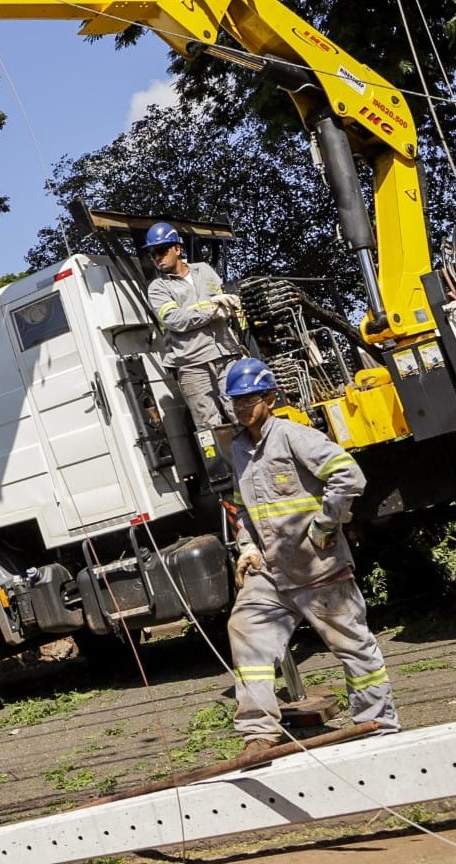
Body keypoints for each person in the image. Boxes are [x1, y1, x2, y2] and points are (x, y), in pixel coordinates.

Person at [223, 358, 400, 759]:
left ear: (269, 397)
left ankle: (379, 722)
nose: (241, 407)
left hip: (318, 566)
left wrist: (326, 524)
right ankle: (258, 732)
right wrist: (247, 546)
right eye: (235, 401)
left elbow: (348, 474)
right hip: (271, 570)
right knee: (246, 633)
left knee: (353, 645)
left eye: (249, 399)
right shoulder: (238, 448)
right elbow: (242, 506)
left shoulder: (292, 436)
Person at [142, 221, 245, 432]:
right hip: (192, 364)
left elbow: (221, 298)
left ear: (177, 249)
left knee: (242, 410)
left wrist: (226, 305)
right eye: (153, 254)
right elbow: (174, 319)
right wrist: (213, 310)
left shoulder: (205, 271)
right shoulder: (158, 288)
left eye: (161, 251)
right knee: (208, 425)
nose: (157, 258)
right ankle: (222, 465)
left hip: (226, 354)